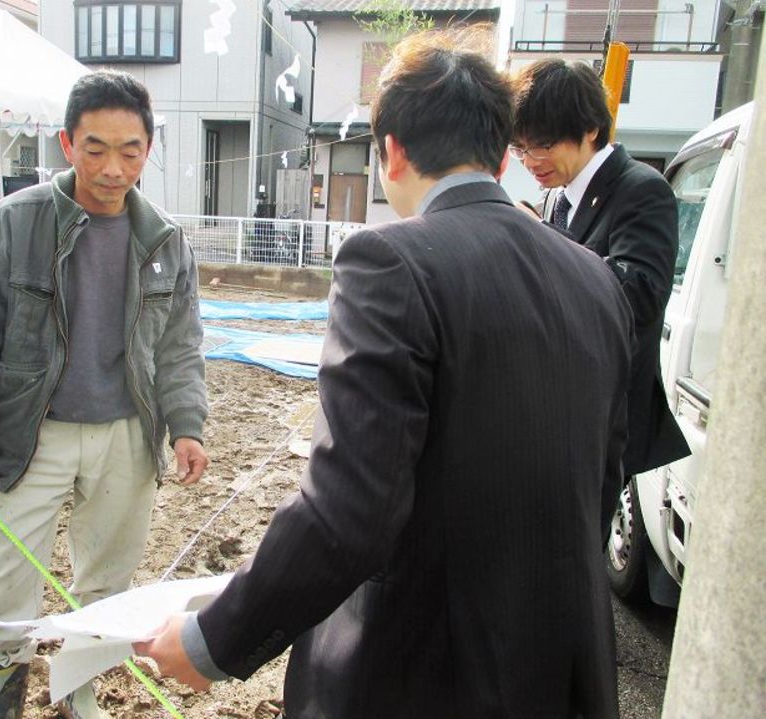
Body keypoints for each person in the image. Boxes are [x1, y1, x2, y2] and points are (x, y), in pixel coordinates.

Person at [136, 32, 633, 718]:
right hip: (558, 663)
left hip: (422, 672)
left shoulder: (392, 262)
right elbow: (602, 479)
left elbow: (348, 510)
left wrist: (212, 639)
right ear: (497, 151)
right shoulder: (596, 279)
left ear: (392, 150)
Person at [0, 70, 208, 719]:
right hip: (29, 434)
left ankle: (78, 695)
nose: (113, 168)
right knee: (3, 585)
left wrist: (187, 424)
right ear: (67, 143)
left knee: (108, 588)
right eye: (96, 148)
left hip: (126, 438)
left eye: (130, 149)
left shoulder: (166, 242)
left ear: (148, 147)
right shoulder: (9, 226)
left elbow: (179, 347)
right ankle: (1, 703)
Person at [510, 58, 690, 480]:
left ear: (590, 129)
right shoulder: (557, 195)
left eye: (543, 144)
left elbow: (641, 294)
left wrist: (544, 241)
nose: (530, 160)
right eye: (519, 148)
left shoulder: (642, 189)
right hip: (557, 410)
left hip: (606, 421)